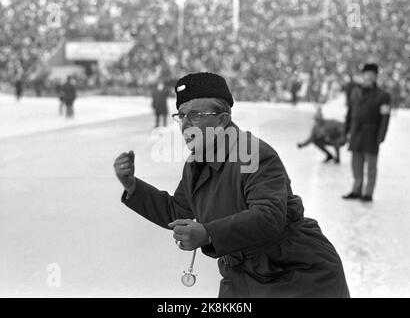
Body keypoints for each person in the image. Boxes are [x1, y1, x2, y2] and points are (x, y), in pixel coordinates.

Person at [114, 72, 350, 298]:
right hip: (240, 274)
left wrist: (208, 234)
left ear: (222, 120)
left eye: (195, 115)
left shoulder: (252, 153)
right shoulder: (195, 163)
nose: (185, 124)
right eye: (181, 115)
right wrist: (133, 187)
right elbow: (178, 209)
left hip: (293, 274)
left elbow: (269, 216)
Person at [343, 63, 392, 202]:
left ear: (376, 77)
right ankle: (356, 190)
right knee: (356, 164)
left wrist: (381, 134)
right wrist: (346, 130)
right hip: (356, 132)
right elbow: (349, 113)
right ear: (363, 75)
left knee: (371, 166)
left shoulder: (383, 95)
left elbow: (385, 117)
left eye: (372, 74)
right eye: (367, 73)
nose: (369, 76)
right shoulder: (355, 92)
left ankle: (368, 193)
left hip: (372, 134)